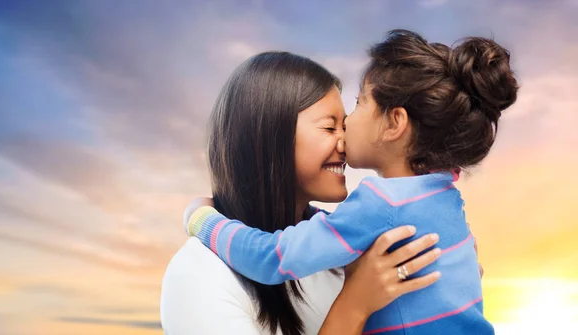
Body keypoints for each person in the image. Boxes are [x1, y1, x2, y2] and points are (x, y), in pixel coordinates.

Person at [185, 30, 516, 334]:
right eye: (330, 127)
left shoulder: (380, 202)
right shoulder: (444, 193)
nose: (344, 135)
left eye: (359, 104)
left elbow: (273, 258)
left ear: (394, 124)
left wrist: (204, 220)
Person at [161, 50, 446, 335]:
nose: (345, 143)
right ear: (270, 137)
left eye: (344, 126)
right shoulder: (199, 273)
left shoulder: (346, 256)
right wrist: (355, 304)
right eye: (329, 127)